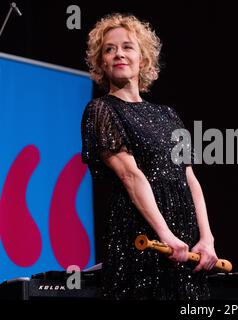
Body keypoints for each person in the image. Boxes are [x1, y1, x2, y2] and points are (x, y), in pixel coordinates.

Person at [81, 13, 218, 300]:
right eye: (109, 49)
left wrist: (206, 238)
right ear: (101, 63)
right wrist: (165, 235)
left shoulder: (168, 115)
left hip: (186, 243)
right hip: (142, 239)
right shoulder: (102, 110)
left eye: (127, 46)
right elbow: (130, 176)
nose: (118, 53)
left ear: (142, 59)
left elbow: (190, 179)